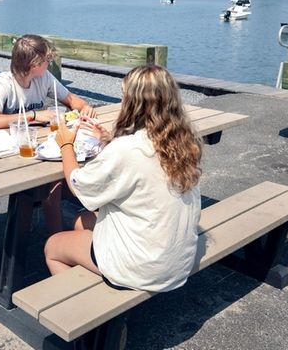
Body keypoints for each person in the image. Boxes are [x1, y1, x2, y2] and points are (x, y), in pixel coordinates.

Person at [45, 65, 203, 293]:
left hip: (142, 268)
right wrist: (107, 141)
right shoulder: (184, 142)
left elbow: (77, 184)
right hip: (177, 261)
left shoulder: (126, 150)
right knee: (81, 222)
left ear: (132, 103)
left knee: (53, 247)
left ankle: (91, 314)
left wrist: (66, 145)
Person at [0, 34, 96, 235]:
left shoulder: (44, 78)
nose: (49, 64)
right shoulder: (4, 83)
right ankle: (56, 238)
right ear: (33, 64)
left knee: (63, 171)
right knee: (53, 183)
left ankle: (54, 235)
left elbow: (70, 99)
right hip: (9, 153)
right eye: (46, 61)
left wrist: (84, 107)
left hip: (38, 146)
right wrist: (34, 115)